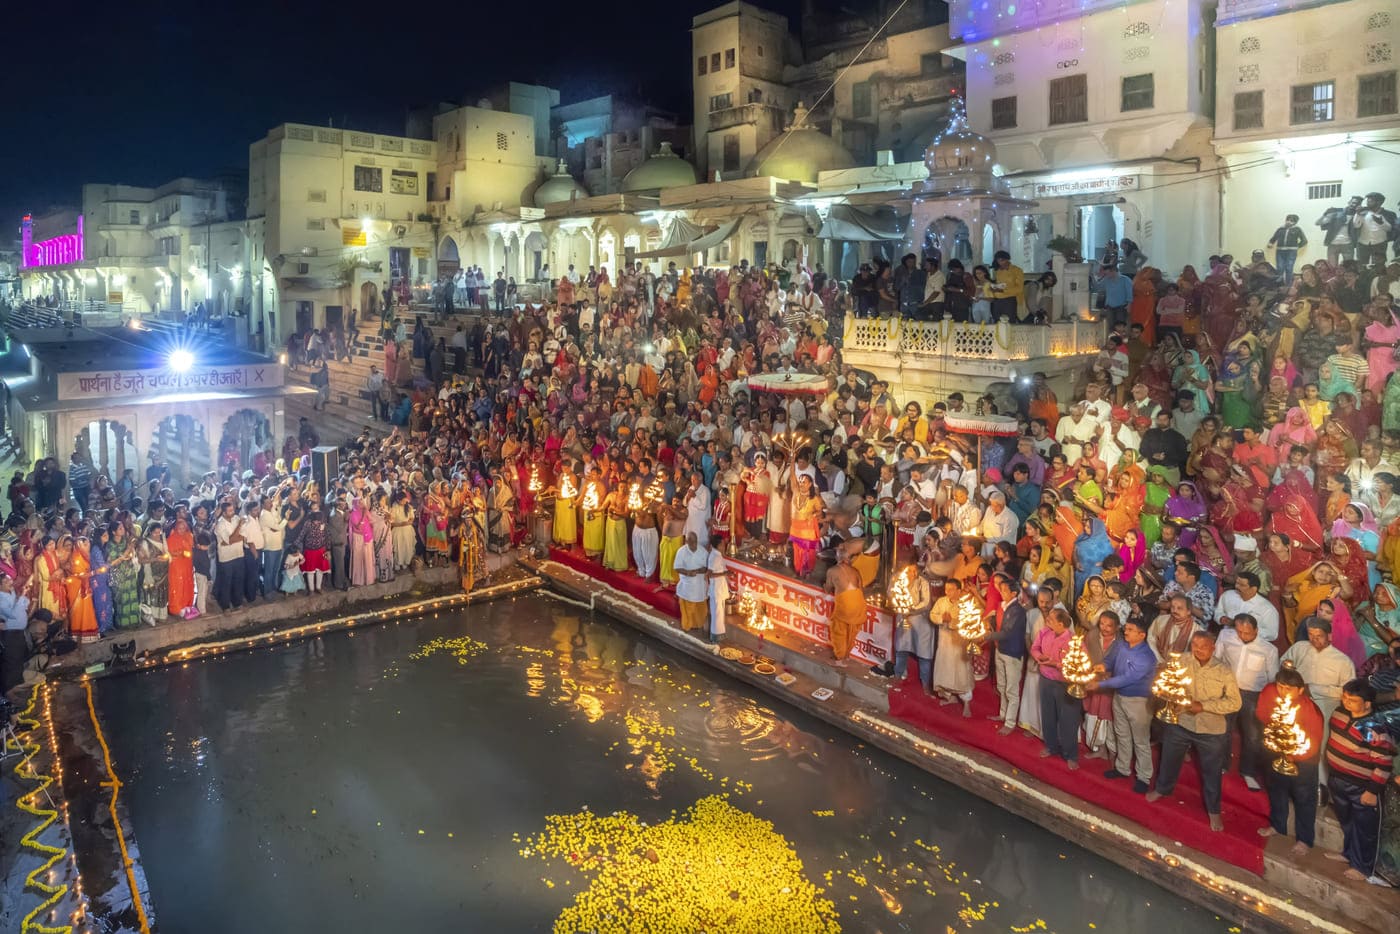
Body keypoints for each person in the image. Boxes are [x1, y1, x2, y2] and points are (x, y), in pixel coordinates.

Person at [1147, 631, 1243, 831]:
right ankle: (1162, 789)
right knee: (1169, 758)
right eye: (1195, 645)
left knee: (1211, 772)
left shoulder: (1223, 670)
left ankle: (1214, 811)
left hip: (1211, 729)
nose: (1198, 650)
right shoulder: (1182, 661)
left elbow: (1235, 703)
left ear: (1213, 648)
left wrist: (1203, 706)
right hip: (1181, 721)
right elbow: (1167, 681)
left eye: (1203, 646)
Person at [1325, 679, 1396, 881]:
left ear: (1367, 704)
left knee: (1365, 828)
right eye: (1345, 697)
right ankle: (1348, 854)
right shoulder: (1339, 714)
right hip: (1338, 780)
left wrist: (1372, 791)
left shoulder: (1373, 727)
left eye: (1353, 700)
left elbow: (1384, 762)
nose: (1346, 702)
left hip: (1362, 787)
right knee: (1347, 821)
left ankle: (1362, 867)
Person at [1256, 666, 1325, 857]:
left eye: (1289, 689)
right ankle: (1278, 825)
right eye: (1280, 686)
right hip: (1276, 753)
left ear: (1300, 690)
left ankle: (1304, 839)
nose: (1283, 691)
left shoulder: (1310, 709)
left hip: (1303, 760)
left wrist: (1292, 754)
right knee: (1276, 790)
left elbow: (1313, 740)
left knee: (1304, 798)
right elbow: (1261, 713)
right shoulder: (1271, 692)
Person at [1215, 614, 1280, 790]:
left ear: (1256, 631)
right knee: (1223, 729)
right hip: (1228, 690)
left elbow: (1272, 678)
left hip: (1252, 694)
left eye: (1247, 633)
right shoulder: (1226, 637)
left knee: (1252, 735)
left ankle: (1248, 771)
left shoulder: (1268, 650)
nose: (1243, 635)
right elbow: (1217, 660)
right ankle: (1221, 764)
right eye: (1239, 631)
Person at [1093, 617, 1157, 793]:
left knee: (1140, 740)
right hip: (1119, 696)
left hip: (1138, 701)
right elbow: (1111, 660)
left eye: (1130, 630)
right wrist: (1102, 667)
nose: (1125, 632)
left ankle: (1144, 776)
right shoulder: (1121, 645)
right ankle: (1122, 767)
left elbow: (1127, 678)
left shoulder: (1146, 657)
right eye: (1126, 628)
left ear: (1142, 635)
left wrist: (1100, 684)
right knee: (1121, 733)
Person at [1031, 607, 1081, 768]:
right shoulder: (1045, 632)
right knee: (1048, 715)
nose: (1047, 620)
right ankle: (1051, 746)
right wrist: (1040, 657)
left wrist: (1056, 664)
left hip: (1064, 683)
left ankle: (1070, 754)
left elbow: (1079, 664)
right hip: (1046, 679)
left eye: (1051, 619)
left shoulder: (1073, 641)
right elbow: (1034, 648)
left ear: (1061, 624)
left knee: (1067, 720)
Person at [986, 574, 1027, 733]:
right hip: (1000, 649)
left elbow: (1008, 632)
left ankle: (1010, 723)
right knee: (1002, 685)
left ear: (1014, 594)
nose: (1001, 592)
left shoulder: (1017, 611)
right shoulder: (1002, 606)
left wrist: (987, 636)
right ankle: (1003, 714)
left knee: (1011, 689)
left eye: (1004, 590)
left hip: (1012, 653)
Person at [825, 540, 866, 666]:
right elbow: (861, 587)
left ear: (837, 557)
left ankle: (839, 659)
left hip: (846, 604)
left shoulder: (832, 571)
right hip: (859, 604)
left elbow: (827, 588)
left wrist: (827, 586)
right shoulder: (856, 571)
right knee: (851, 630)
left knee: (839, 630)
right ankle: (846, 655)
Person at [0, 572, 32, 698]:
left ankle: (17, 685)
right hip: (10, 635)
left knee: (18, 661)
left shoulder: (11, 592)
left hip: (19, 633)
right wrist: (22, 597)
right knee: (11, 662)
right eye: (7, 581)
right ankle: (9, 691)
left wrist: (22, 598)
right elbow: (12, 615)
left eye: (10, 580)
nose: (10, 582)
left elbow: (24, 604)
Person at [673, 532, 709, 635]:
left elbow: (707, 568)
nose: (694, 544)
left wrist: (698, 571)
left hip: (700, 586)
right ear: (687, 541)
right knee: (687, 609)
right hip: (687, 586)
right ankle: (687, 626)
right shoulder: (681, 551)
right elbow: (677, 567)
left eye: (695, 541)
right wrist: (687, 572)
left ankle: (699, 624)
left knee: (700, 609)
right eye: (691, 542)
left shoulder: (702, 551)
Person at [1268, 214, 1308, 285]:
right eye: (1288, 220)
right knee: (1280, 267)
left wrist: (1297, 246)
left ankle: (1288, 285)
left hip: (1291, 251)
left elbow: (1304, 241)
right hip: (1280, 251)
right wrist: (1271, 242)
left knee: (1289, 267)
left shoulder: (1297, 229)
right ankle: (1279, 284)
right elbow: (1275, 237)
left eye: (1291, 220)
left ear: (1295, 222)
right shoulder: (1281, 229)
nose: (1289, 222)